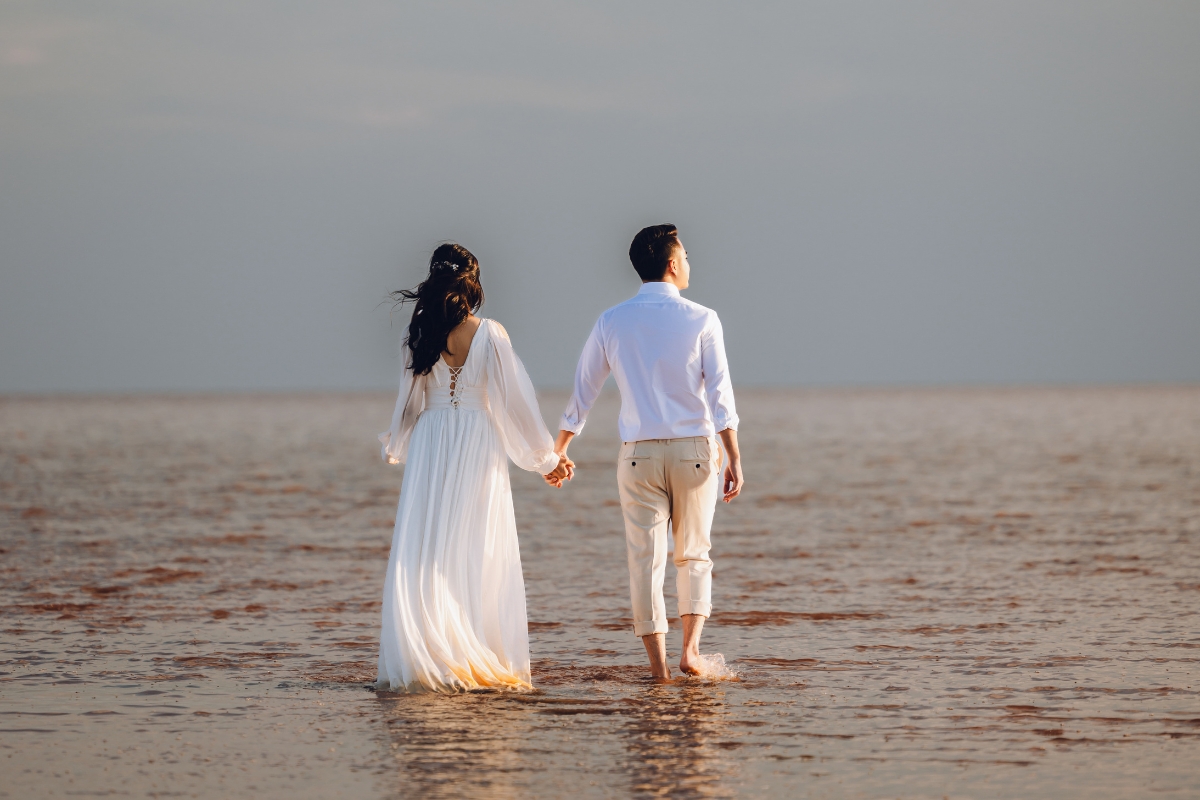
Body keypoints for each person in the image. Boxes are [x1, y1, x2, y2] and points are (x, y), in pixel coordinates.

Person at [376, 243, 573, 693]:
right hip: (476, 442)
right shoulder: (489, 334)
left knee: (427, 548)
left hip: (431, 441)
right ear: (472, 281)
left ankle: (429, 650)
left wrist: (399, 444)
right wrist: (547, 459)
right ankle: (472, 652)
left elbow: (407, 402)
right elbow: (514, 406)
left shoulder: (419, 334)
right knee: (477, 546)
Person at [551, 224, 743, 682]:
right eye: (687, 256)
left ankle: (658, 672)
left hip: (636, 455)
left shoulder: (611, 320)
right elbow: (720, 394)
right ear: (673, 264)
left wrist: (556, 451)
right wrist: (733, 453)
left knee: (645, 560)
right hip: (695, 451)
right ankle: (691, 654)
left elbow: (584, 392)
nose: (690, 264)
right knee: (693, 556)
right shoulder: (703, 318)